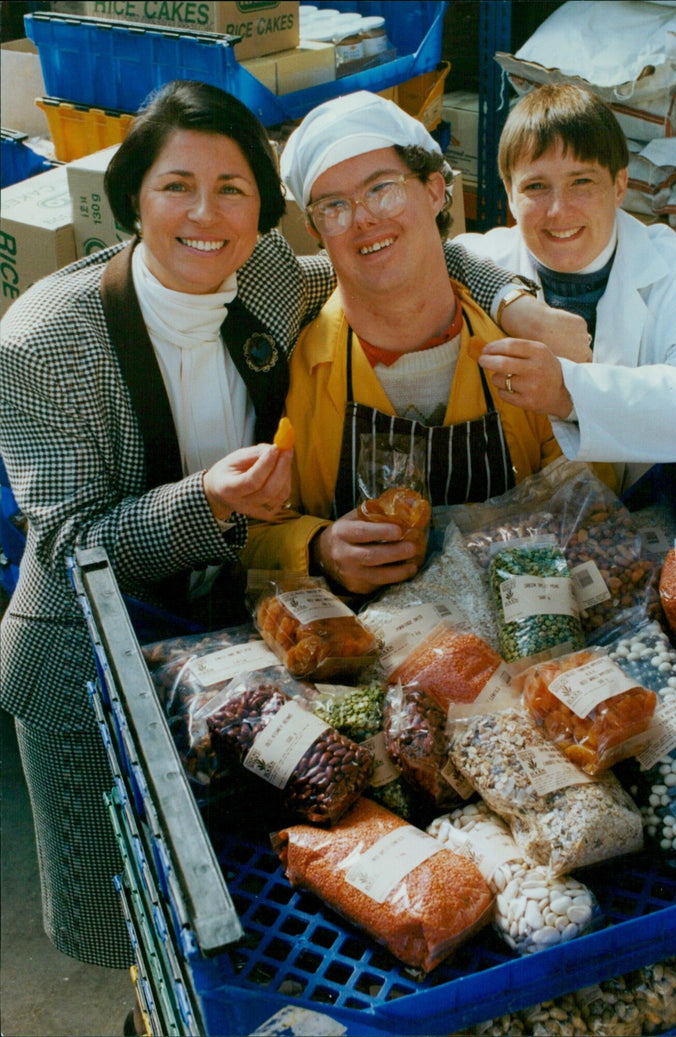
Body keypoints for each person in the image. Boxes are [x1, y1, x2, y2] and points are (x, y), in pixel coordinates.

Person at [0, 79, 592, 975]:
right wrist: (207, 503)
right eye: (176, 187)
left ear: (264, 212)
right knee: (130, 927)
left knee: (235, 904)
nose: (206, 213)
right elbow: (71, 544)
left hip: (238, 643)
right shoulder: (44, 341)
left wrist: (516, 302)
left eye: (233, 188)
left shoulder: (264, 276)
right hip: (90, 655)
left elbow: (412, 251)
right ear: (132, 200)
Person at [239, 90, 583, 597]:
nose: (364, 219)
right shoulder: (290, 370)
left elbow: (588, 508)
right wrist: (317, 548)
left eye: (383, 189)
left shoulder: (522, 346)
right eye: (334, 206)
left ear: (435, 190)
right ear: (315, 229)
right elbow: (242, 531)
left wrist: (573, 399)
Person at [455, 83, 676, 490]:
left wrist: (569, 393)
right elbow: (417, 262)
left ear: (620, 186)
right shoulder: (483, 259)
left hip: (641, 518)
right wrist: (509, 302)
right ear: (508, 194)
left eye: (581, 182)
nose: (558, 210)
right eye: (535, 186)